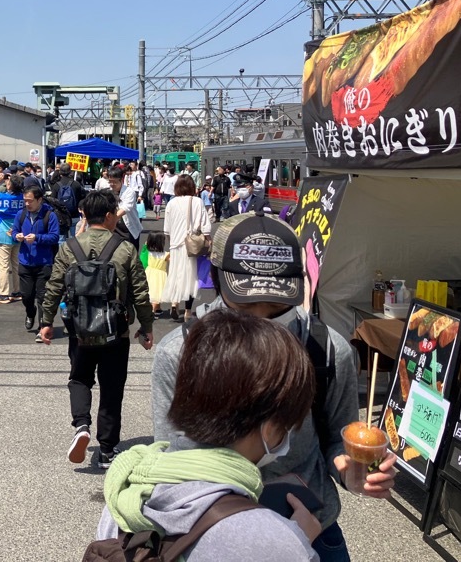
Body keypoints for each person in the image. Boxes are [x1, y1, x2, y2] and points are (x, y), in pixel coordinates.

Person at [151, 211, 397, 561]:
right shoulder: (180, 352)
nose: (263, 323)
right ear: (218, 281)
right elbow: (168, 456)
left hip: (314, 528)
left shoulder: (327, 350)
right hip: (214, 534)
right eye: (247, 306)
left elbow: (335, 437)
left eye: (279, 307)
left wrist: (351, 471)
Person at [93, 309, 321, 561]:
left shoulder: (125, 492)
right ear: (269, 427)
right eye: (287, 425)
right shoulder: (270, 540)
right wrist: (299, 540)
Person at [39, 190, 154, 469]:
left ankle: (81, 426)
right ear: (109, 216)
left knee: (79, 379)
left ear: (84, 216)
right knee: (112, 388)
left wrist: (46, 321)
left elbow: (54, 285)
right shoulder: (125, 248)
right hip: (116, 331)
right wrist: (146, 327)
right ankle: (106, 450)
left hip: (79, 330)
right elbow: (140, 291)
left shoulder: (70, 247)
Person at [161, 174, 210, 322]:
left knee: (176, 275)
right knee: (190, 278)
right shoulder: (197, 201)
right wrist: (208, 241)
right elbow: (206, 226)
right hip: (192, 245)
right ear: (192, 187)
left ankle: (174, 303)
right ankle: (188, 310)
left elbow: (166, 229)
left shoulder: (171, 203)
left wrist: (172, 242)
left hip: (176, 245)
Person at [14, 184, 60, 335]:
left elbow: (54, 237)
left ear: (39, 200)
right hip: (25, 261)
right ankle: (30, 312)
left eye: (30, 200)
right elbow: (14, 231)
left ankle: (43, 327)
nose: (27, 203)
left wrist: (37, 238)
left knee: (42, 297)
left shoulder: (49, 215)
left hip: (44, 262)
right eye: (25, 200)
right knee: (26, 296)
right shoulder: (21, 214)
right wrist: (17, 236)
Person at [0, 175, 25, 304]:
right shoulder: (23, 198)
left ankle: (3, 294)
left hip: (3, 232)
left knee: (3, 265)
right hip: (18, 231)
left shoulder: (2, 198)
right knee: (16, 264)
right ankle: (17, 291)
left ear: (9, 185)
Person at [106, 166, 142, 249]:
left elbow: (126, 208)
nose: (112, 184)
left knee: (131, 253)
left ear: (121, 180)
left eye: (114, 182)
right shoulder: (108, 192)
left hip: (128, 229)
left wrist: (111, 219)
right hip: (114, 229)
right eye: (110, 181)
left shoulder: (129, 192)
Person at [144, 231, 169, 318]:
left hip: (150, 273)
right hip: (159, 276)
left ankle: (157, 309)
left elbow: (146, 244)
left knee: (153, 292)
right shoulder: (165, 255)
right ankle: (152, 311)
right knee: (157, 294)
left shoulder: (149, 252)